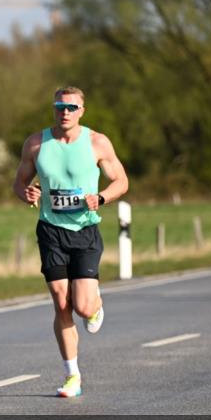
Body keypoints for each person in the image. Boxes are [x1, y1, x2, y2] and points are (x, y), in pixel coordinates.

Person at [12, 86, 128, 397]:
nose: (65, 112)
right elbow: (19, 182)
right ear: (54, 108)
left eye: (72, 108)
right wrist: (28, 193)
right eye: (60, 106)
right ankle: (72, 376)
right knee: (61, 303)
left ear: (81, 112)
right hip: (51, 230)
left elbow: (122, 181)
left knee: (82, 305)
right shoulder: (36, 144)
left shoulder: (97, 142)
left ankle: (95, 306)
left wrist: (100, 198)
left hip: (86, 231)